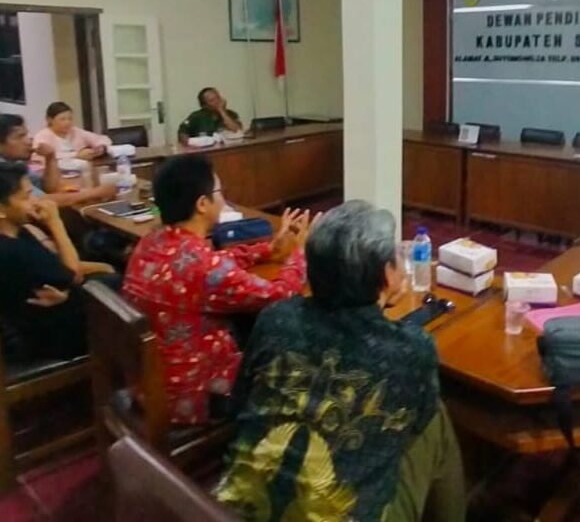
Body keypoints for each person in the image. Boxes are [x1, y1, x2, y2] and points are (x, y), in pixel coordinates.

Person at [215, 201, 465, 522]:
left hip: (235, 504)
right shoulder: (412, 348)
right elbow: (412, 426)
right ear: (386, 274)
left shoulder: (276, 317)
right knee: (434, 419)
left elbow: (239, 403)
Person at [121, 154, 309, 425]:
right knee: (291, 346)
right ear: (202, 204)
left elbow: (216, 262)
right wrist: (300, 255)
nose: (223, 199)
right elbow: (280, 295)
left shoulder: (152, 242)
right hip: (191, 393)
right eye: (219, 192)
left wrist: (268, 249)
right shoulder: (205, 268)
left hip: (148, 381)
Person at [0, 162, 88, 362]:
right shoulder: (12, 250)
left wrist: (67, 291)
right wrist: (55, 222)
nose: (35, 202)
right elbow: (74, 275)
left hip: (36, 323)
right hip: (45, 342)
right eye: (26, 197)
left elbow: (58, 272)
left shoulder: (17, 232)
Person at [0, 113, 117, 207]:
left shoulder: (15, 162)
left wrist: (50, 157)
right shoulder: (3, 170)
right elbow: (39, 201)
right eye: (19, 137)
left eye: (26, 135)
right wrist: (94, 193)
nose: (28, 141)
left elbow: (49, 188)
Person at [32, 101, 112, 169]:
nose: (68, 122)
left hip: (79, 170)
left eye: (70, 119)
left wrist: (99, 149)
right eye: (62, 119)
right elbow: (41, 156)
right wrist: (76, 155)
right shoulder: (42, 136)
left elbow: (103, 139)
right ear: (49, 120)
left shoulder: (75, 131)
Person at [177, 87, 242, 144]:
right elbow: (182, 133)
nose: (217, 101)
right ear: (204, 106)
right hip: (204, 151)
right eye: (212, 100)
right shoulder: (196, 116)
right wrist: (191, 143)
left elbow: (236, 131)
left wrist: (222, 111)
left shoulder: (230, 114)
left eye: (218, 98)